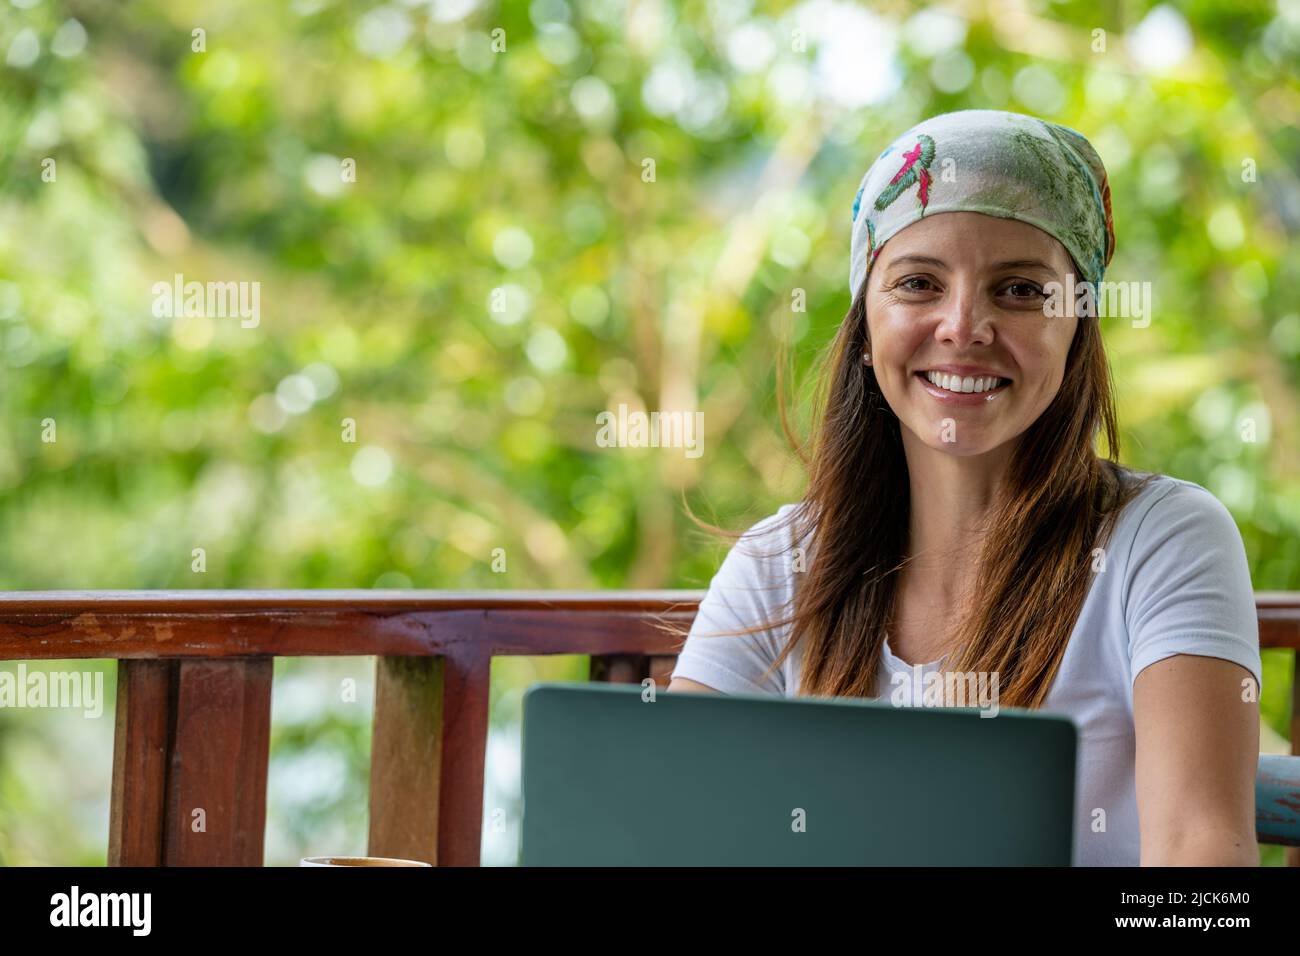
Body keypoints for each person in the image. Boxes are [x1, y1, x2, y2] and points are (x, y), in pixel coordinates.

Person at [667, 109, 1262, 867]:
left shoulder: (1164, 538)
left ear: (1077, 326)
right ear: (865, 319)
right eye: (918, 282)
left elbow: (1202, 868)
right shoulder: (778, 561)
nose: (963, 326)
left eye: (1019, 289)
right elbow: (669, 827)